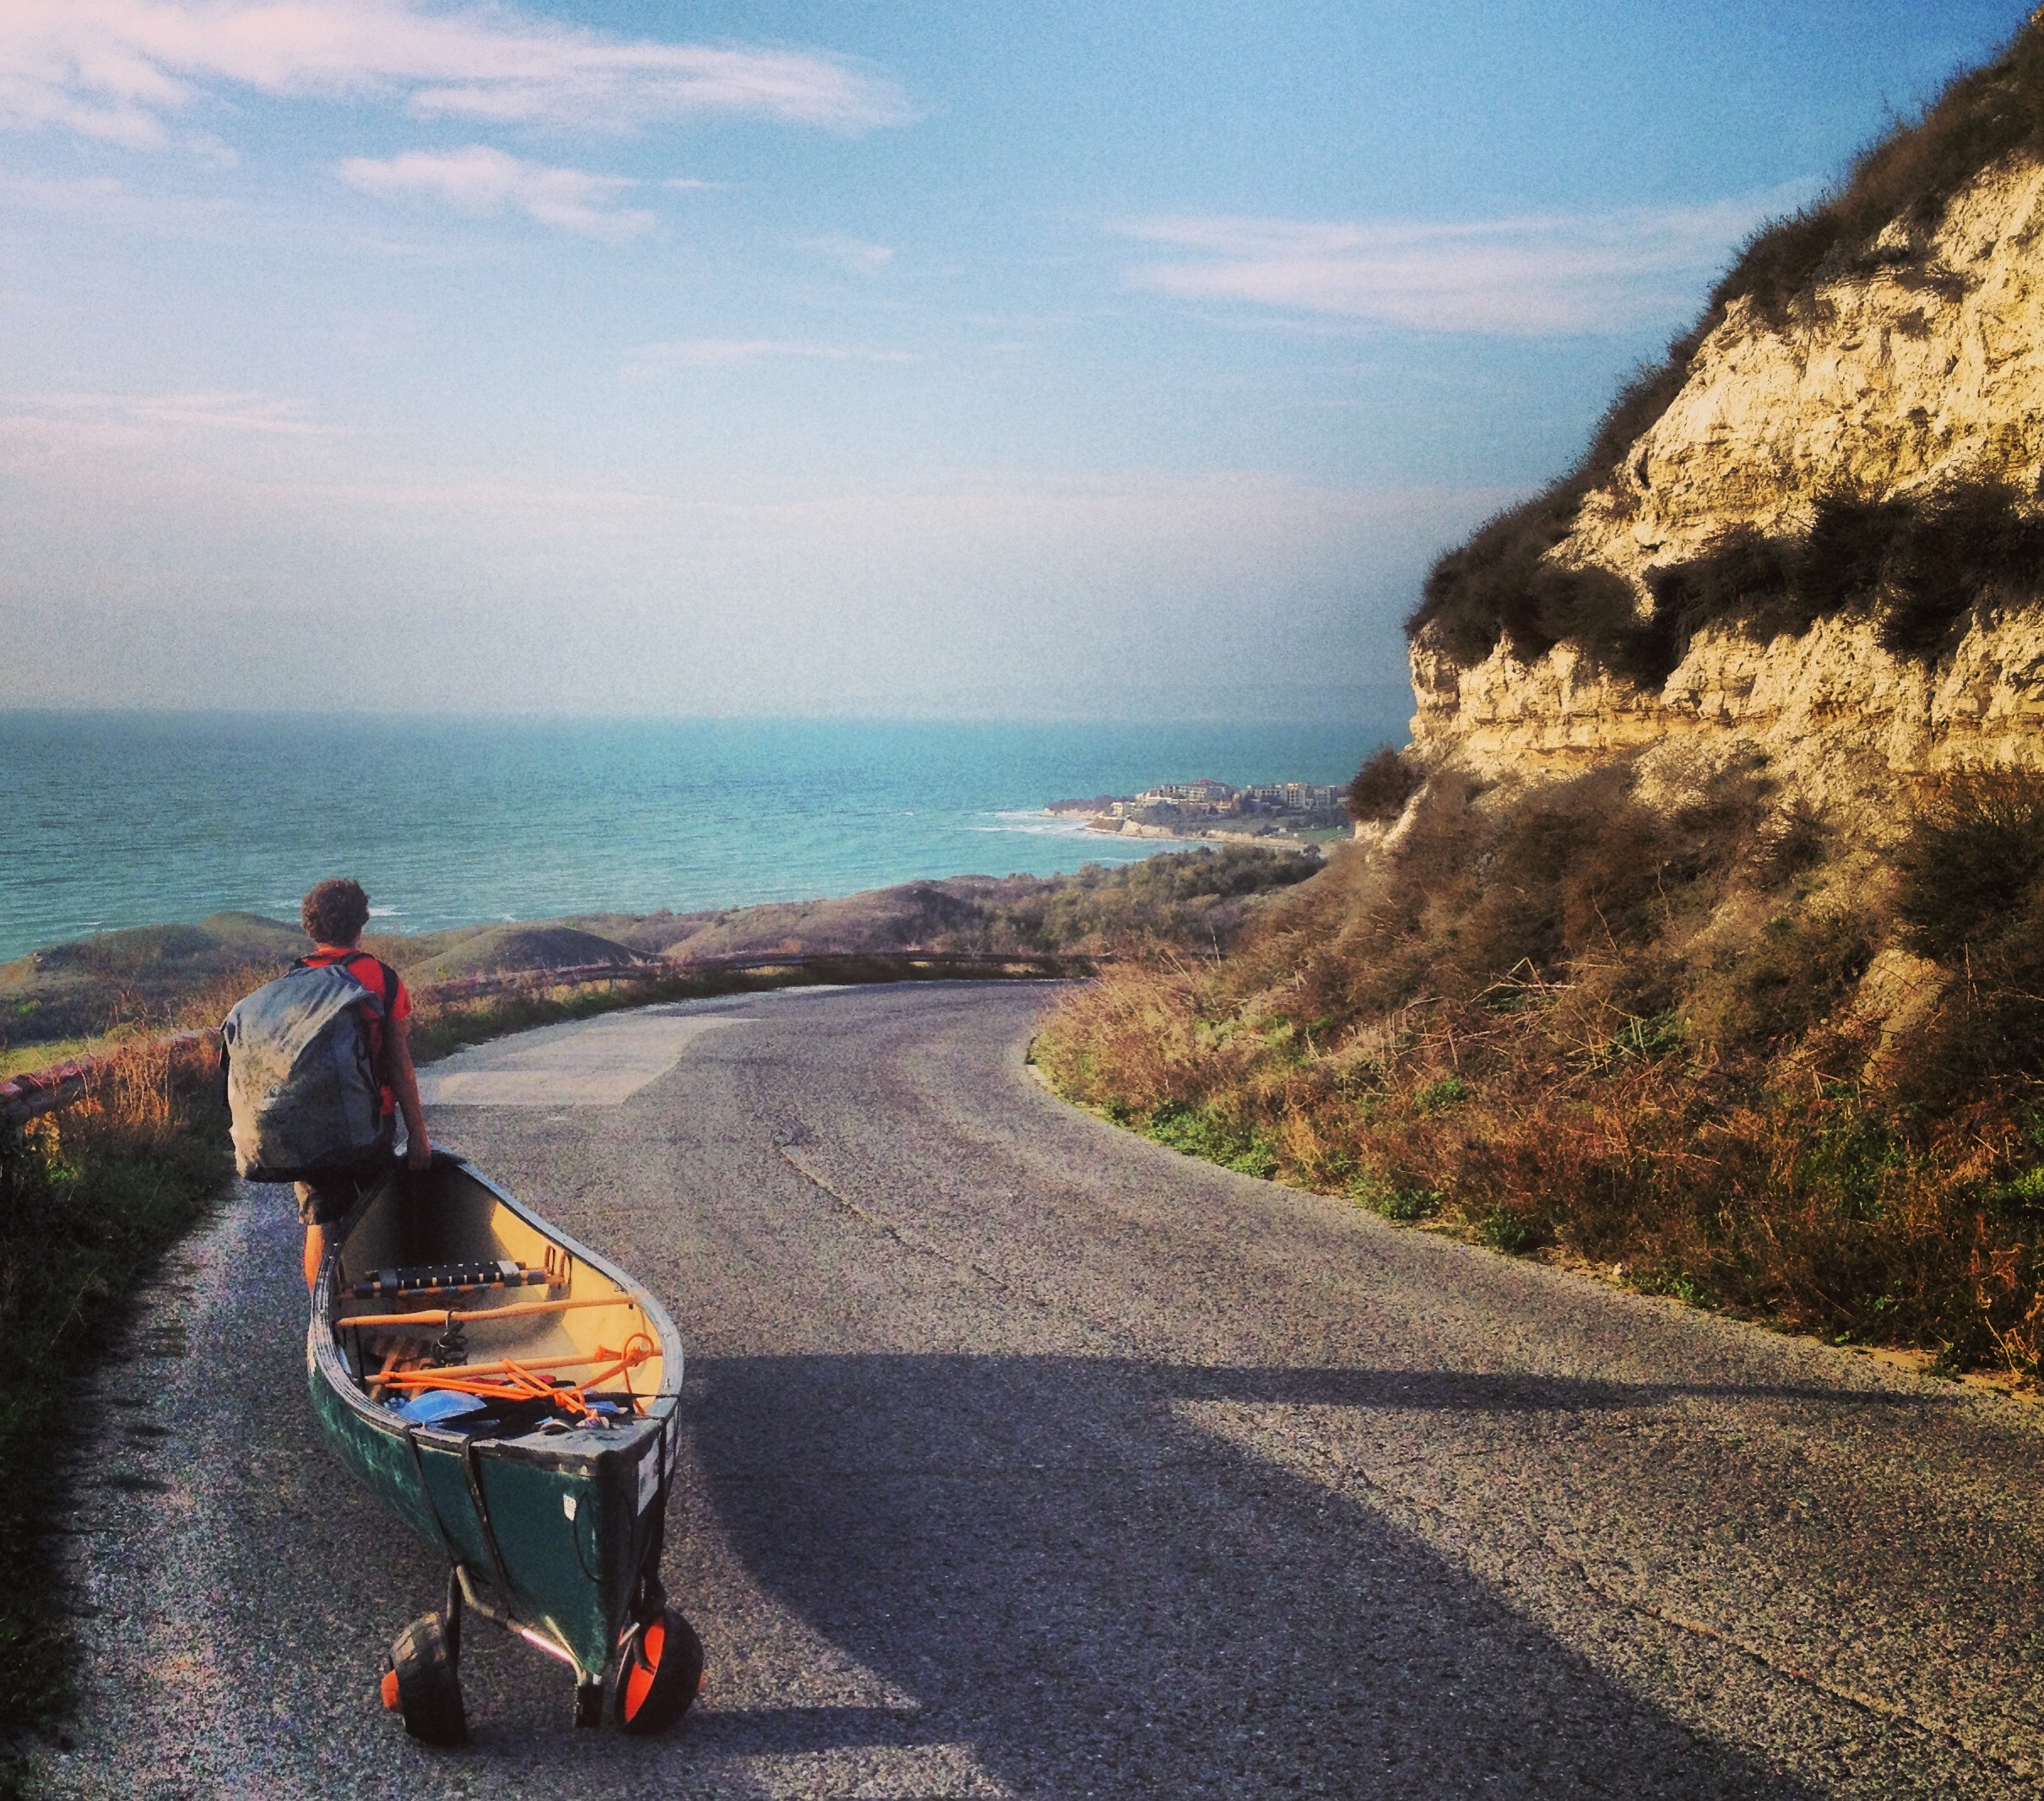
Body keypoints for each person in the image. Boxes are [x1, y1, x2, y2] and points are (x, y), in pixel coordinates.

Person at [294, 878, 431, 1291]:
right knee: (372, 1218)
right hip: (373, 1119)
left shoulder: (293, 980)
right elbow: (398, 1061)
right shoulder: (382, 979)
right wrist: (419, 1133)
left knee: (321, 1219)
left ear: (311, 927)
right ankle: (373, 1320)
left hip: (312, 1123)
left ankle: (323, 1320)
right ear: (361, 924)